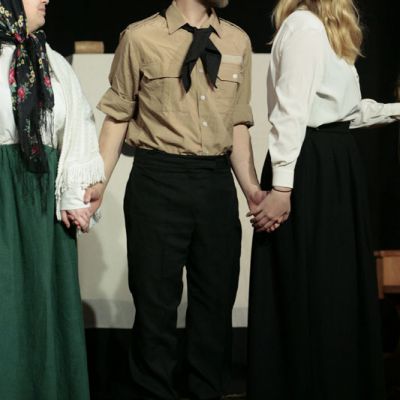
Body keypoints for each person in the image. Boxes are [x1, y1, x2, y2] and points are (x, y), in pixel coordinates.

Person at [85, 0, 260, 398]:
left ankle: (206, 392)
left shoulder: (237, 40)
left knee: (215, 302)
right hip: (158, 180)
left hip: (215, 182)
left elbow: (238, 123)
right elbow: (118, 116)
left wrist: (251, 190)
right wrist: (97, 185)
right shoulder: (140, 37)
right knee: (155, 306)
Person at [247, 0, 400, 399]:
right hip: (310, 167)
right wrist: (283, 188)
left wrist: (396, 110)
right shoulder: (304, 27)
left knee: (334, 284)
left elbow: (344, 111)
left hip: (333, 161)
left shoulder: (325, 31)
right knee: (311, 285)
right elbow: (291, 113)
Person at [0, 0, 104, 398]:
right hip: (4, 199)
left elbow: (78, 126)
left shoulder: (53, 63)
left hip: (43, 203)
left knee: (43, 305)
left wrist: (75, 194)